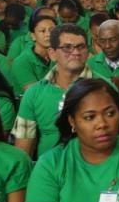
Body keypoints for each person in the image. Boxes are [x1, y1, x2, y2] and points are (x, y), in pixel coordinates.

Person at [13, 24, 110, 158]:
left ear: (88, 52)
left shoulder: (105, 88)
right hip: (49, 172)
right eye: (67, 47)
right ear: (52, 53)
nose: (75, 52)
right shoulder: (34, 93)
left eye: (81, 47)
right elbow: (23, 151)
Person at [11, 15, 56, 94]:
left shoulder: (61, 56)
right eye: (42, 31)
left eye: (52, 30)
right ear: (33, 36)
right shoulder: (21, 62)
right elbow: (35, 93)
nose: (48, 34)